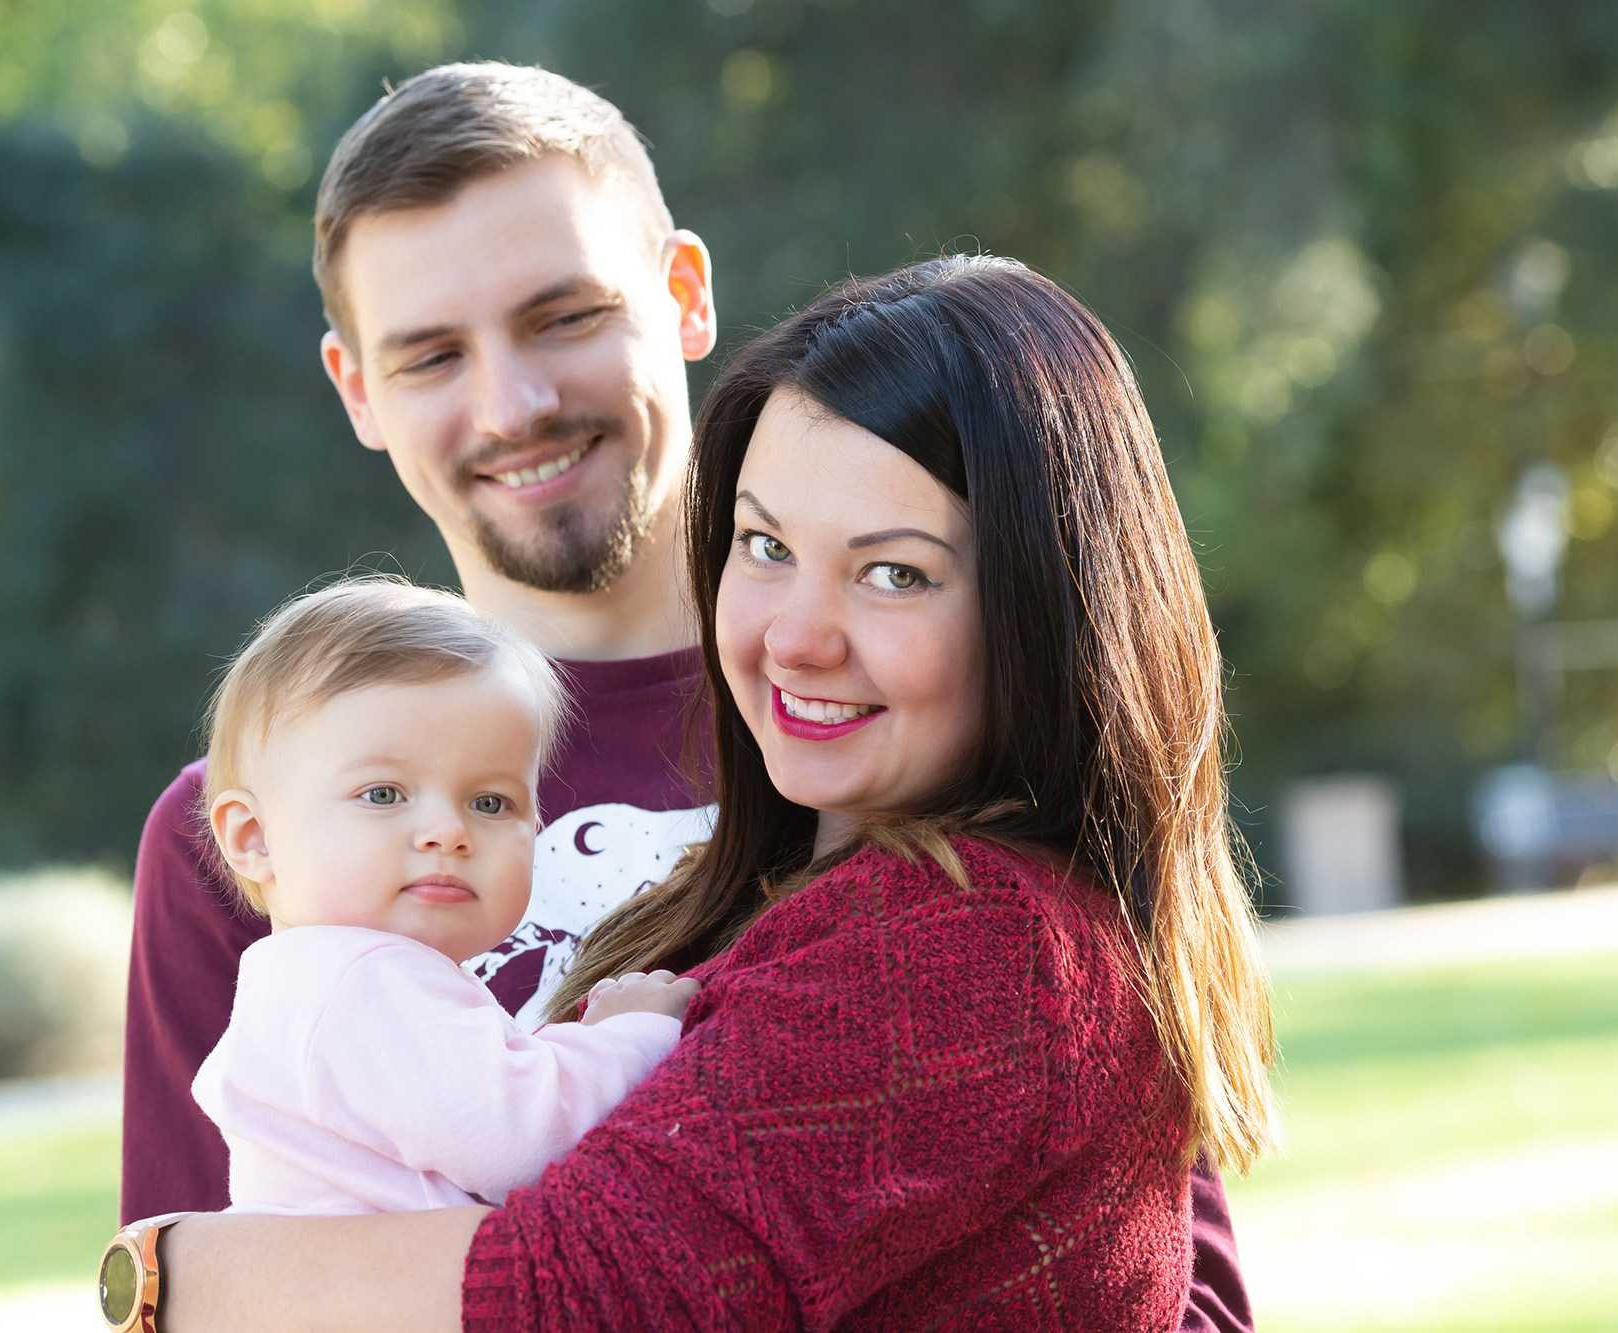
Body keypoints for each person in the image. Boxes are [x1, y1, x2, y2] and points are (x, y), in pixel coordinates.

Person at [119, 61, 1257, 1329]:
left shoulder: (890, 769)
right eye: (433, 353)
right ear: (356, 391)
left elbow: (1158, 1281)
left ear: (682, 294)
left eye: (562, 317)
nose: (516, 403)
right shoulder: (268, 821)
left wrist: (179, 1279)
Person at [188, 577, 698, 1216]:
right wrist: (627, 1035)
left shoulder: (316, 984)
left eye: (490, 802)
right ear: (256, 836)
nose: (450, 833)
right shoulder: (362, 982)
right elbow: (521, 1142)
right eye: (383, 794)